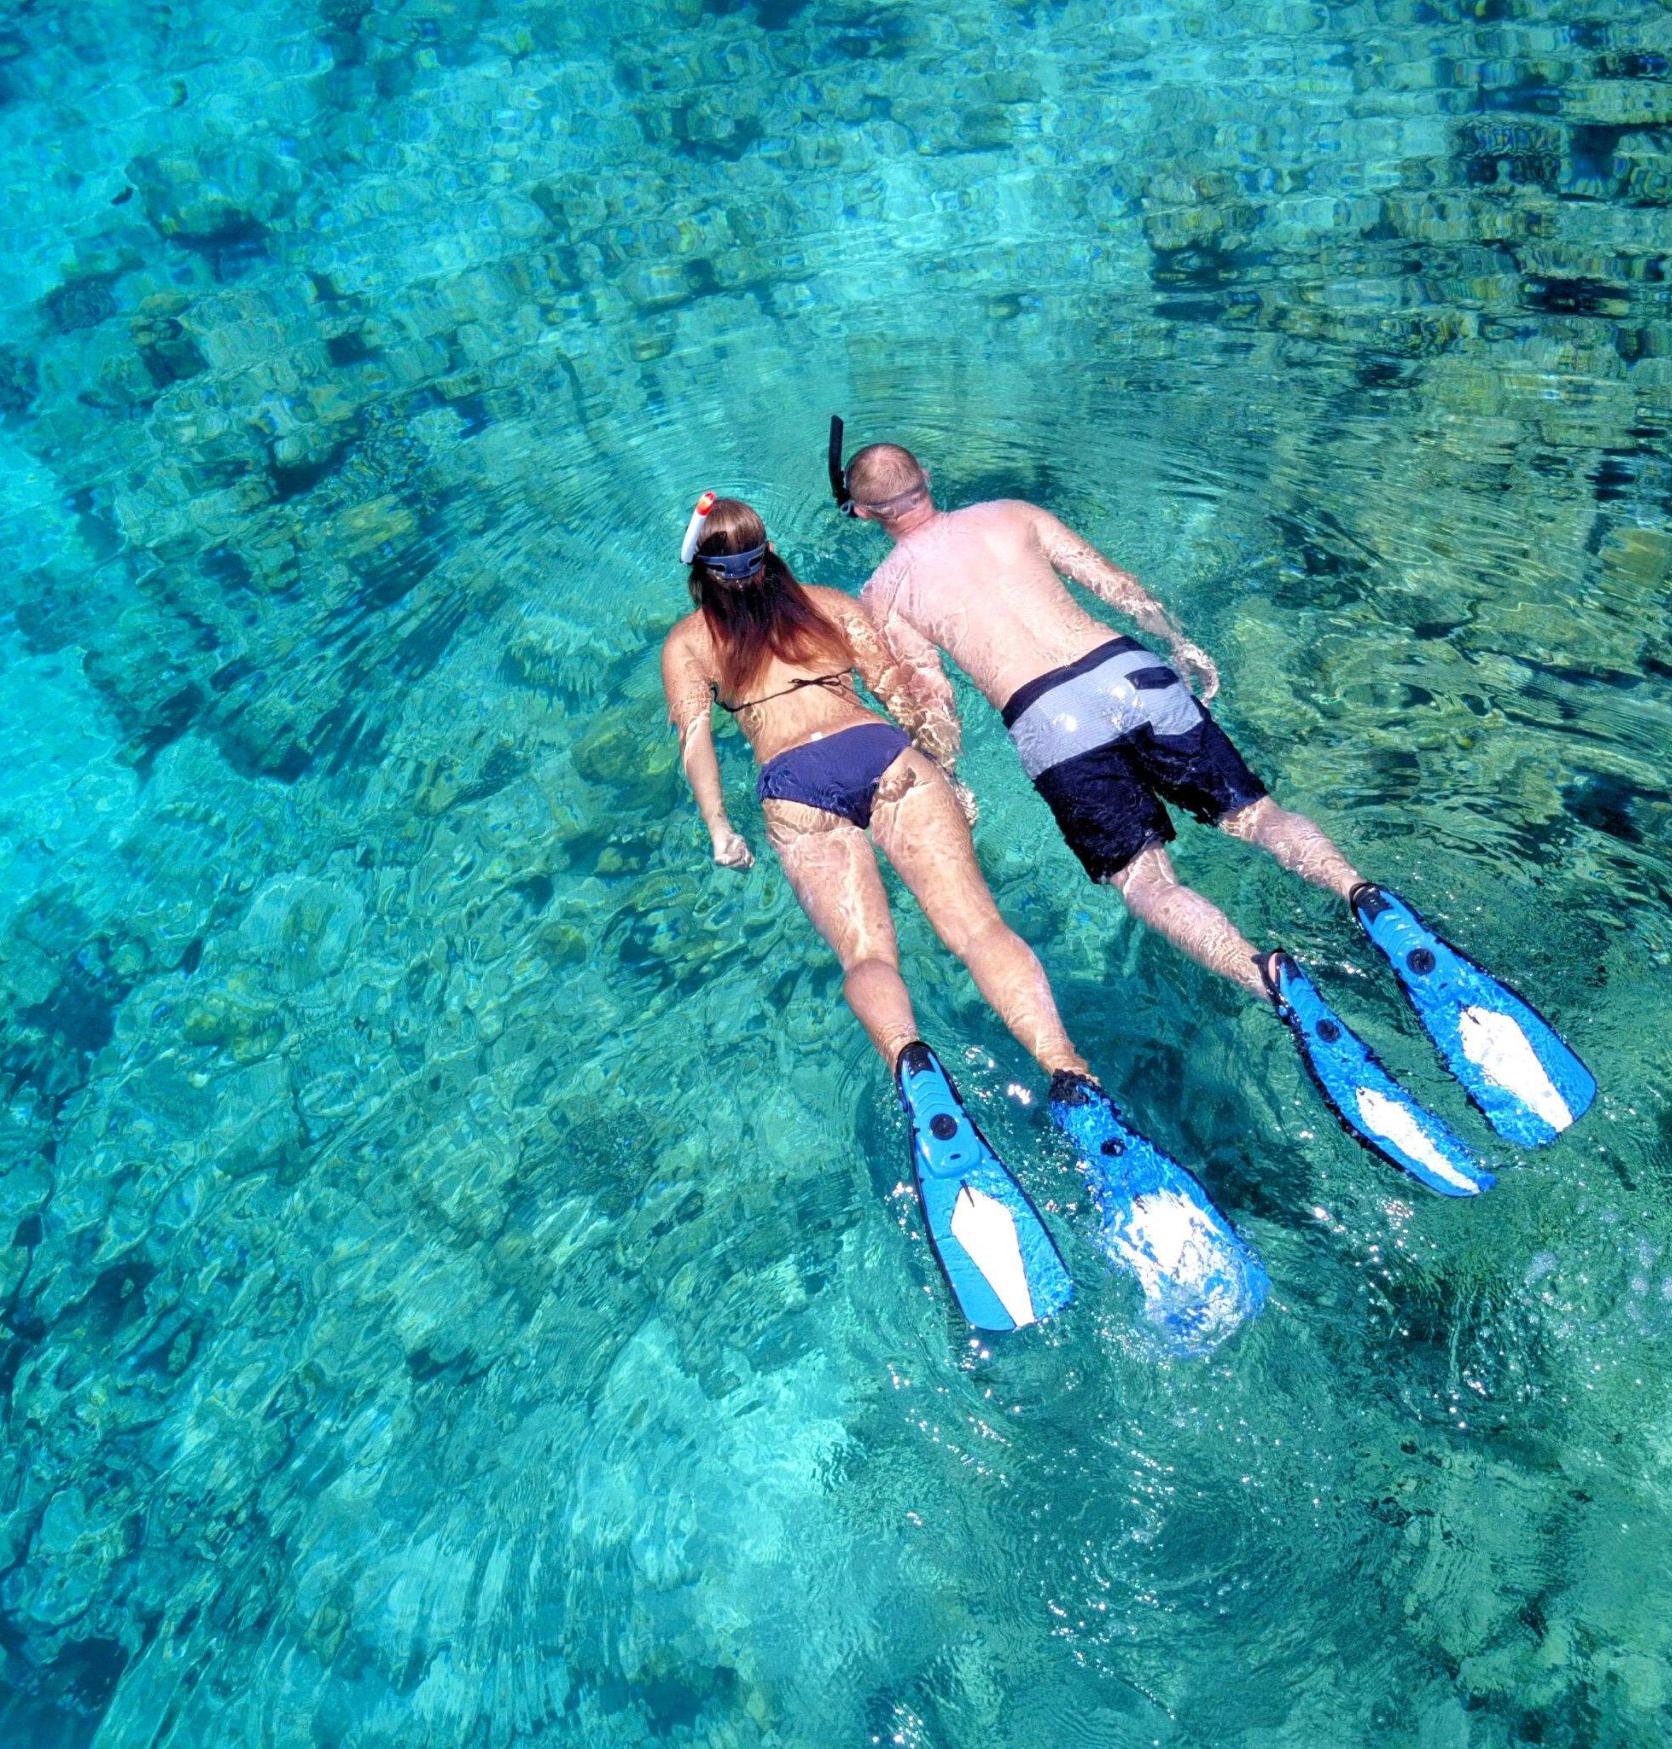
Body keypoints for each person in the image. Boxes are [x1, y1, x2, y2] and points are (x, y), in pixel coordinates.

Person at [837, 433, 1595, 1196]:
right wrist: (1179, 640)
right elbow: (1114, 582)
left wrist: (946, 772)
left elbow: (930, 704)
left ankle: (1270, 978)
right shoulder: (1011, 513)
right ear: (927, 479)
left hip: (1050, 718)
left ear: (865, 512)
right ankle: (1366, 898)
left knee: (1147, 883)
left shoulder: (888, 589)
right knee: (1259, 816)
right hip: (1130, 670)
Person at [661, 492, 1266, 1350]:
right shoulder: (831, 604)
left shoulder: (690, 642)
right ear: (767, 554)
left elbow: (693, 736)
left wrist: (721, 827)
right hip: (882, 753)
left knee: (870, 954)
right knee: (981, 930)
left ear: (700, 571)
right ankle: (1070, 1076)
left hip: (793, 781)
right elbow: (902, 685)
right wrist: (945, 766)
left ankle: (916, 1071)